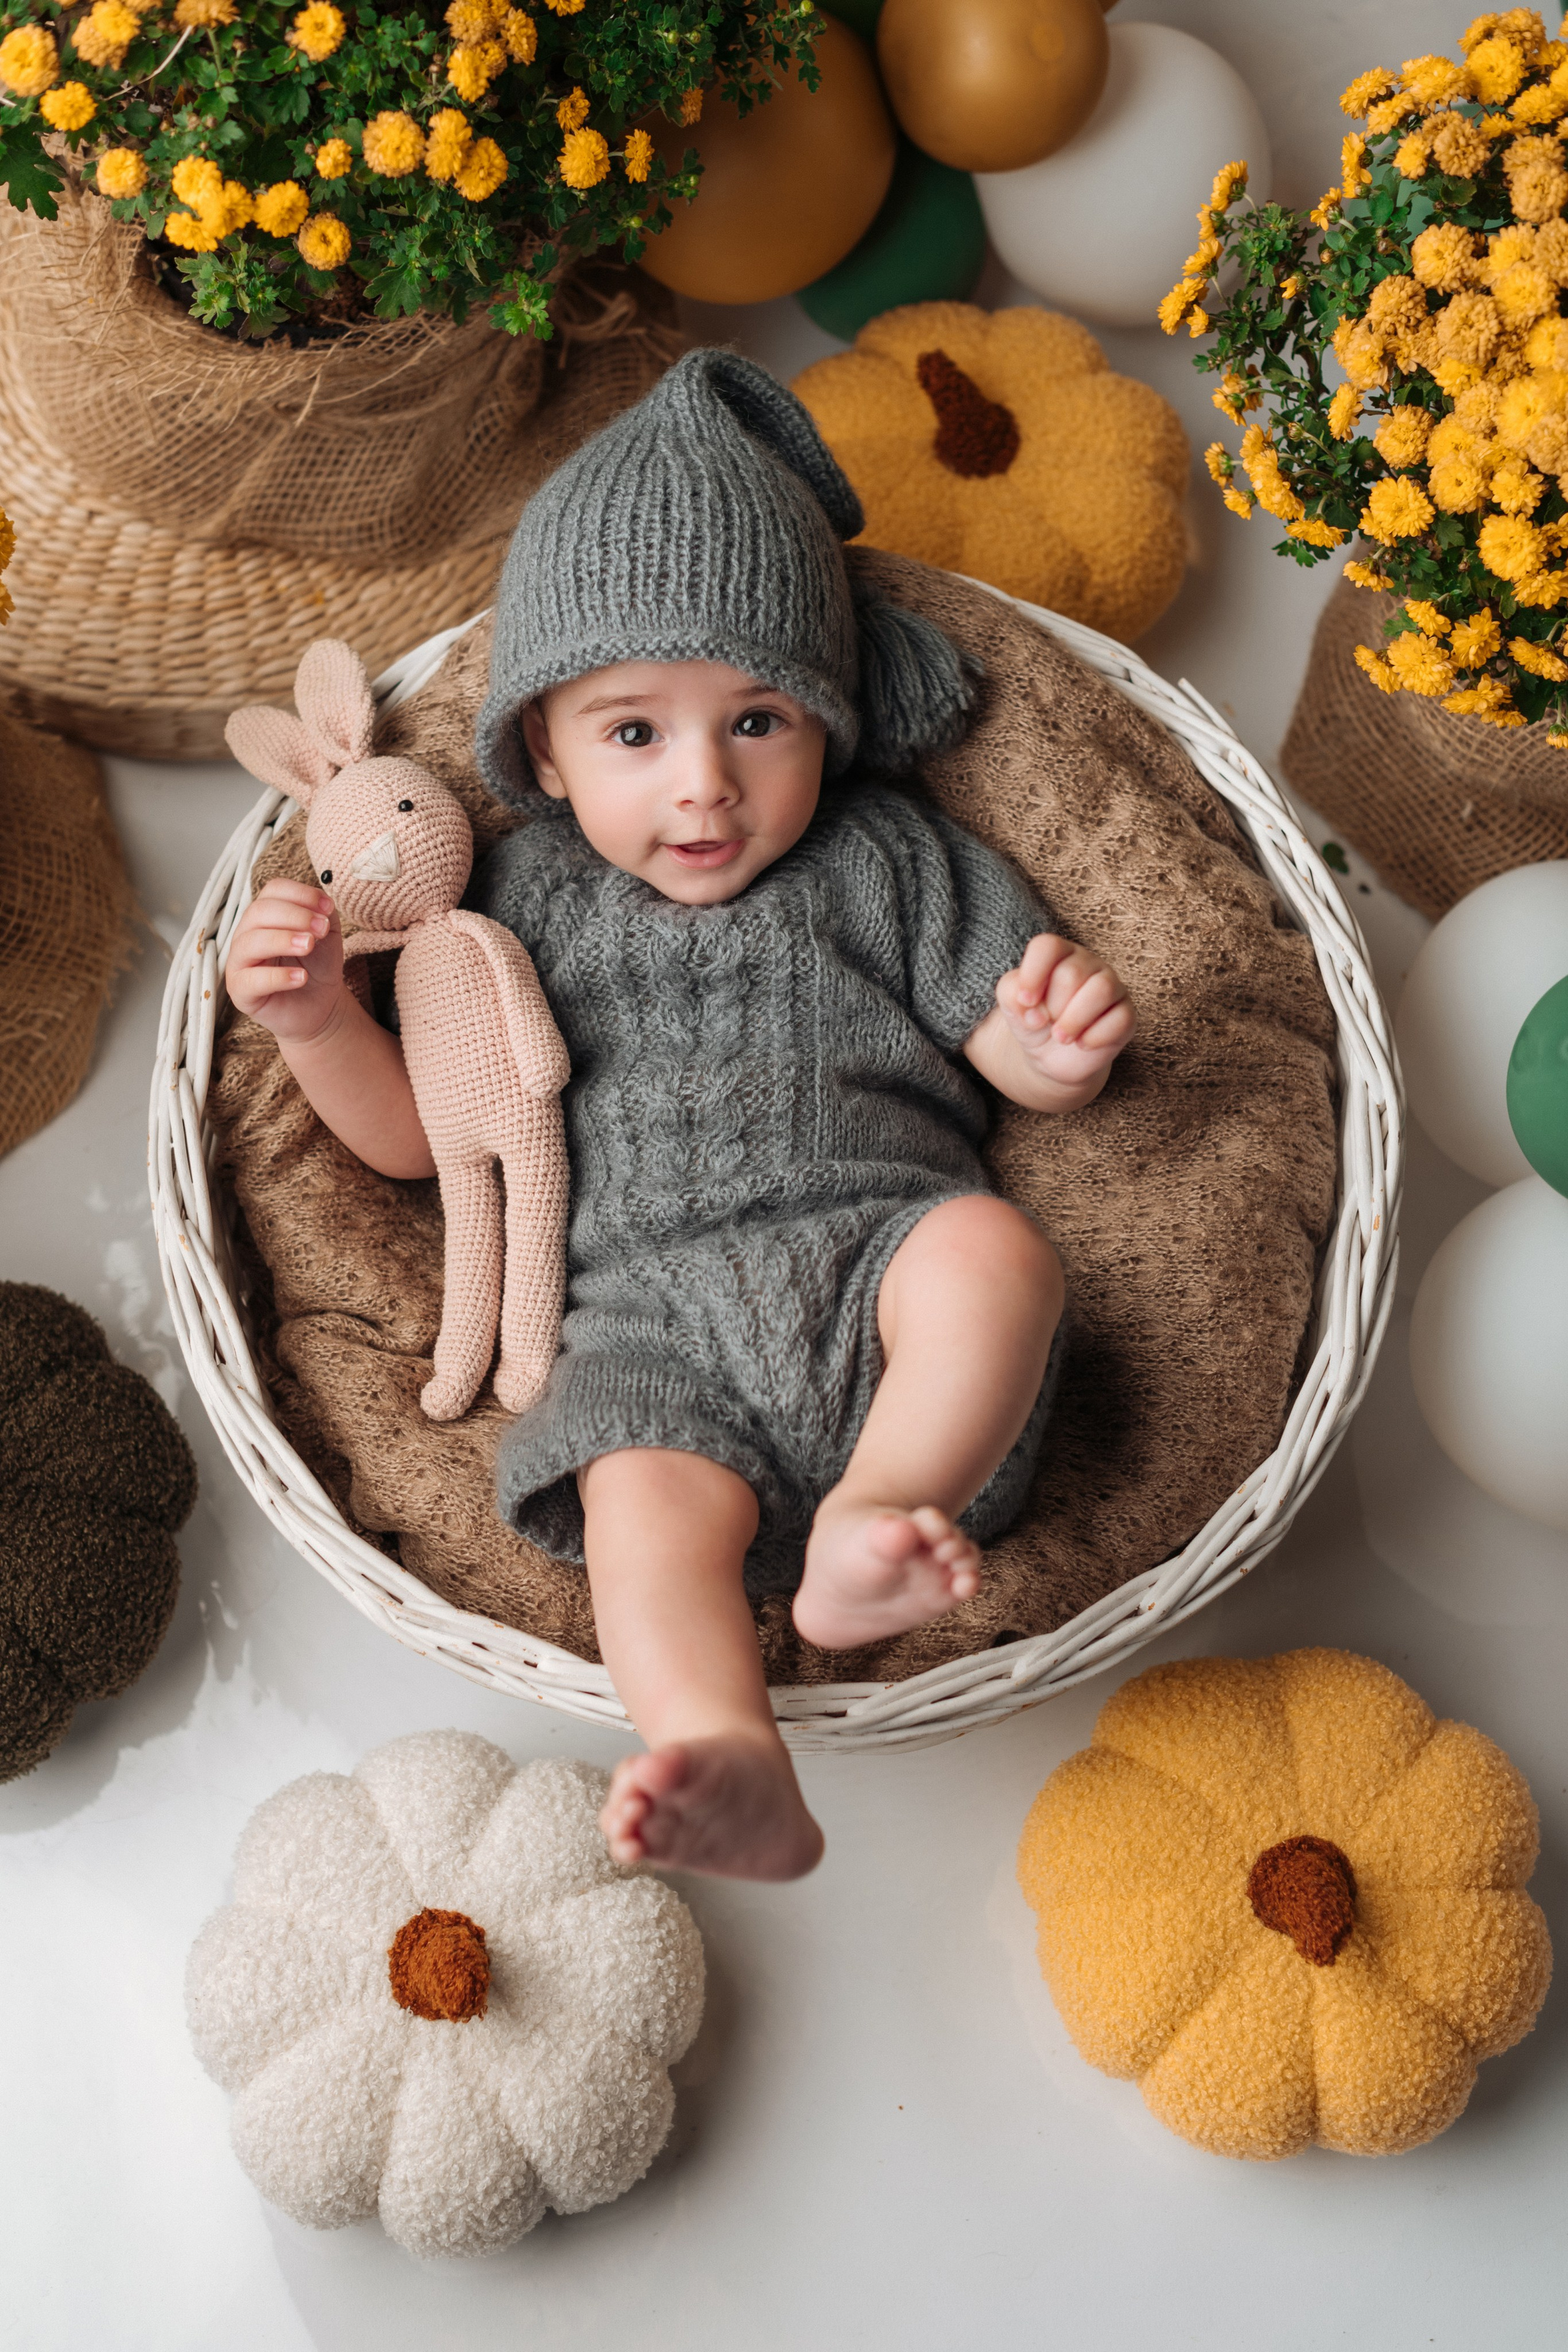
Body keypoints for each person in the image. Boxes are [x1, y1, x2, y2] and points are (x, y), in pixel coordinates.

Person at [227, 351, 1134, 1884]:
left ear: (831, 725)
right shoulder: (509, 899)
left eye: (758, 722)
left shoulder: (889, 859)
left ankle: (878, 1521)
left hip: (876, 1262)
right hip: (645, 1329)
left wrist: (1053, 1050)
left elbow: (1005, 1050)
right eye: (634, 734)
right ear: (539, 754)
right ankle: (721, 1742)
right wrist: (316, 1020)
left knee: (994, 1257)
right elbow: (418, 1144)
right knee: (638, 1503)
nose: (703, 787)